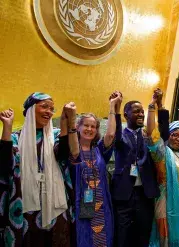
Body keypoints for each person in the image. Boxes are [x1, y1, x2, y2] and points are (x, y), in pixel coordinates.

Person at [0, 93, 78, 247]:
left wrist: (65, 123)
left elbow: (63, 155)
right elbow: (4, 166)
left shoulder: (55, 136)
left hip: (53, 205)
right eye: (44, 106)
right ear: (30, 109)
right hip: (24, 205)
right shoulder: (15, 138)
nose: (49, 111)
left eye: (52, 109)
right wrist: (7, 128)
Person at [111, 89, 168, 247]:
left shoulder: (148, 137)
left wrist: (159, 105)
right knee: (122, 238)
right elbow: (114, 134)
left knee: (143, 237)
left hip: (145, 195)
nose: (141, 114)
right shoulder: (120, 136)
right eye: (136, 111)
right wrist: (115, 108)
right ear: (126, 115)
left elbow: (164, 133)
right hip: (124, 195)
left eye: (142, 112)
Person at [147, 89, 179, 247]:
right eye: (174, 134)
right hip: (168, 201)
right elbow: (152, 133)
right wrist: (153, 105)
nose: (178, 139)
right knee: (168, 237)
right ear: (168, 135)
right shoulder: (162, 153)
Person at [69, 91, 121, 247]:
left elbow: (111, 135)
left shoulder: (99, 150)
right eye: (86, 125)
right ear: (78, 127)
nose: (90, 129)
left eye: (93, 127)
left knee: (103, 240)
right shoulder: (72, 150)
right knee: (83, 239)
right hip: (80, 205)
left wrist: (112, 105)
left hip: (101, 205)